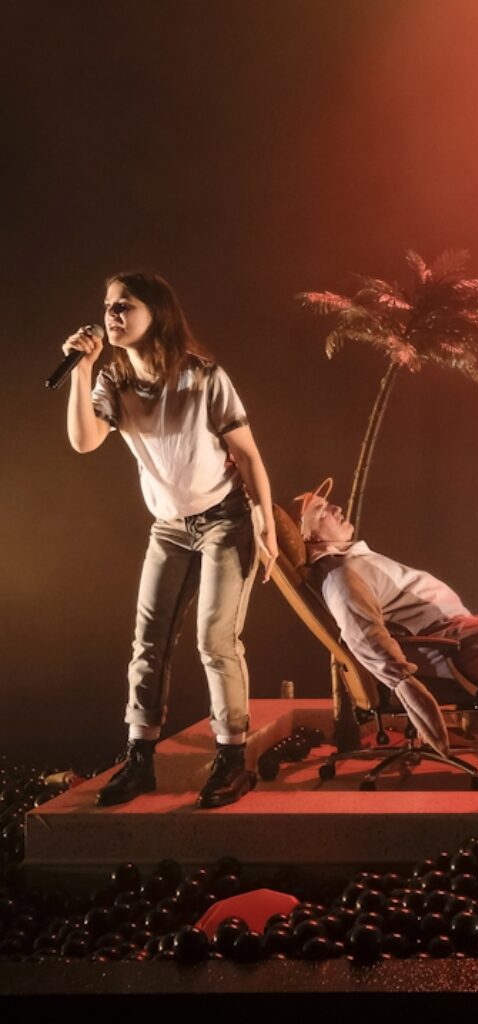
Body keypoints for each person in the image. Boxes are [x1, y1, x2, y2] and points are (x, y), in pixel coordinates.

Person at [62, 272, 278, 808]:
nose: (112, 315)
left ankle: (232, 760)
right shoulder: (114, 380)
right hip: (169, 528)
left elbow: (247, 454)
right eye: (108, 305)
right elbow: (85, 441)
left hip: (225, 518)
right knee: (148, 642)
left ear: (155, 312)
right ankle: (139, 760)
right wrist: (81, 370)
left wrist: (265, 522)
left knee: (215, 639)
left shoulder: (202, 377)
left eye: (125, 305)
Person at [293, 479, 478, 763]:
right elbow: (364, 635)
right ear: (307, 535)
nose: (336, 509)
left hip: (450, 631)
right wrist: (406, 684)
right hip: (443, 644)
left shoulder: (347, 562)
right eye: (321, 512)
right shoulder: (340, 577)